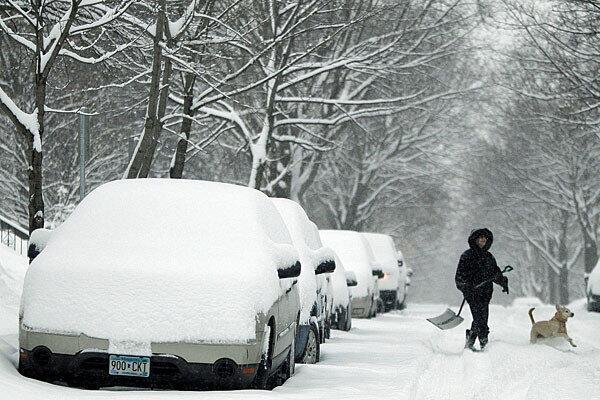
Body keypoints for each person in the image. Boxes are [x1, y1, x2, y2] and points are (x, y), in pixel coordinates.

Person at [455, 228, 508, 351]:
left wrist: (503, 282)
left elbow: (495, 273)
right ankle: (485, 344)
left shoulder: (489, 257)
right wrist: (465, 287)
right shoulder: (467, 256)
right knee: (481, 320)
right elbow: (459, 277)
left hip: (486, 294)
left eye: (485, 238)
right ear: (475, 239)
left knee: (481, 318)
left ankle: (470, 340)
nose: (483, 240)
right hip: (472, 294)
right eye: (480, 237)